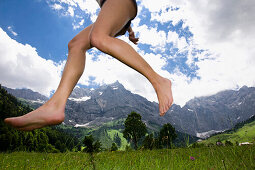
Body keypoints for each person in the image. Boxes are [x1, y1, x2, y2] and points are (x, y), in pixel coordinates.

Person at [4, 0, 173, 131]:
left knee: (98, 38)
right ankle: (55, 106)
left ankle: (159, 81)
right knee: (76, 45)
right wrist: (128, 28)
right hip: (116, 7)